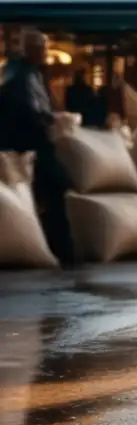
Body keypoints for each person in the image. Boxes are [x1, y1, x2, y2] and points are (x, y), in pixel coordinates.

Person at [0, 29, 76, 265]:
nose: (45, 53)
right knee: (55, 188)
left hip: (31, 147)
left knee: (49, 192)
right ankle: (63, 251)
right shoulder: (21, 76)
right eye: (42, 48)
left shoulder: (27, 74)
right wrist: (51, 119)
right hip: (29, 148)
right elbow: (29, 110)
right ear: (31, 50)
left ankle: (59, 248)